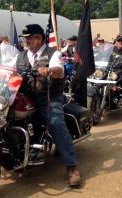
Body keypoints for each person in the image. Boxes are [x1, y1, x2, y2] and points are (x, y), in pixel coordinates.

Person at [16, 24, 81, 187]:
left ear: (38, 38)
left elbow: (60, 71)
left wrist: (49, 69)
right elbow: (9, 70)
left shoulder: (53, 54)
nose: (26, 41)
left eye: (29, 38)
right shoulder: (21, 55)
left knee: (56, 123)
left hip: (49, 96)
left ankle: (71, 166)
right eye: (25, 38)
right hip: (26, 96)